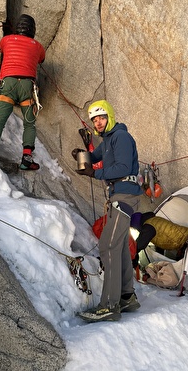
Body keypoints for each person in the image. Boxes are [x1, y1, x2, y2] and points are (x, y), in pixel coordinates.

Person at [72, 100, 143, 323]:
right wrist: (82, 156)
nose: (98, 122)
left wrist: (95, 174)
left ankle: (109, 306)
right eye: (94, 119)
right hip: (118, 196)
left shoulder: (121, 137)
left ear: (110, 116)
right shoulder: (107, 141)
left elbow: (122, 168)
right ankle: (126, 297)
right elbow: (95, 158)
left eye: (101, 117)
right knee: (120, 246)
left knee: (108, 245)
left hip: (124, 196)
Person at [0, 14, 45, 170]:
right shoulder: (38, 46)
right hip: (26, 85)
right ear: (33, 30)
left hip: (8, 83)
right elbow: (41, 59)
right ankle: (27, 159)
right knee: (29, 124)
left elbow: (0, 48)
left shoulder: (7, 40)